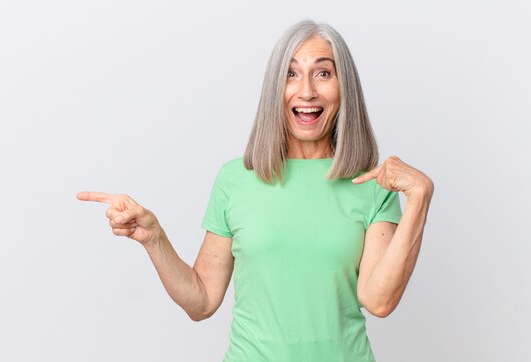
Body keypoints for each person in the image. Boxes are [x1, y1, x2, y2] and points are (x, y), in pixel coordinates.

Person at [77, 20, 434, 362]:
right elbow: (202, 301)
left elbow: (380, 300)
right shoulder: (236, 179)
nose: (306, 90)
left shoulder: (371, 186)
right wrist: (153, 237)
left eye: (323, 73)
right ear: (274, 88)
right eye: (291, 74)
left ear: (345, 89)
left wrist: (419, 197)